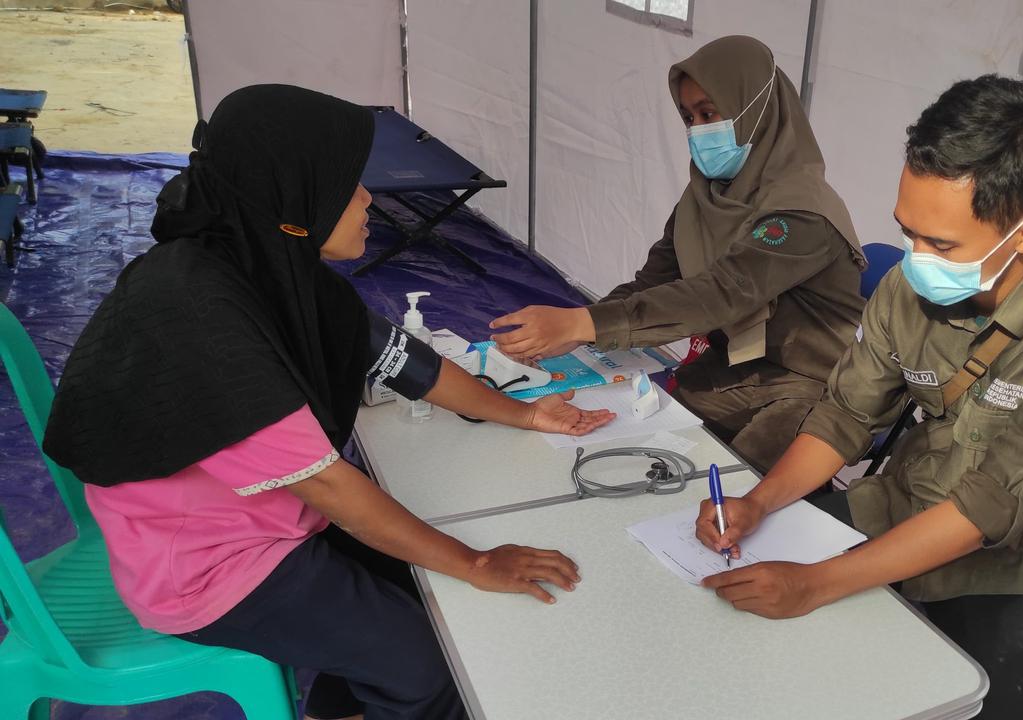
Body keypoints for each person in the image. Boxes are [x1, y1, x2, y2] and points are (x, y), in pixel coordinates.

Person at [42, 85, 614, 720]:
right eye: (351, 185)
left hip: (265, 525)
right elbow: (336, 491)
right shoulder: (202, 318)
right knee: (429, 659)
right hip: (208, 570)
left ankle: (339, 707)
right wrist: (476, 562)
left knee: (425, 591)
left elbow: (401, 360)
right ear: (295, 197)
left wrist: (523, 412)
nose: (370, 199)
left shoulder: (265, 264)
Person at [694, 75, 1023, 719]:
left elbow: (987, 508)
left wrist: (816, 583)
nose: (916, 259)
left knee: (984, 704)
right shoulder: (910, 287)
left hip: (1021, 561)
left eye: (941, 245)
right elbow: (845, 415)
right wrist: (757, 502)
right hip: (903, 504)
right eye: (907, 231)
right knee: (728, 620)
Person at [488, 35, 866, 472]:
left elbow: (721, 293)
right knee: (634, 446)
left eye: (709, 113)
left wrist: (583, 322)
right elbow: (656, 281)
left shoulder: (803, 212)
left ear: (755, 109)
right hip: (736, 367)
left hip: (811, 384)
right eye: (689, 117)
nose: (698, 130)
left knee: (734, 492)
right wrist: (578, 335)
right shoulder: (705, 196)